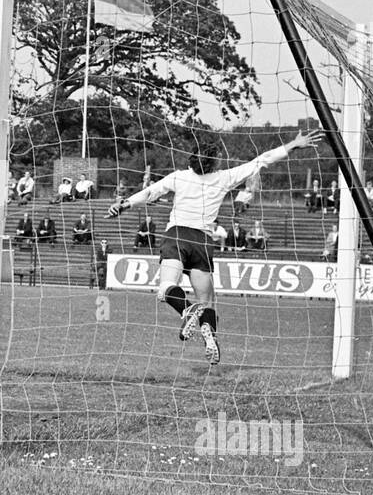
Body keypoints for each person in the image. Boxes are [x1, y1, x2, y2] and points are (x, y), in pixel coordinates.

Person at [108, 128, 322, 366]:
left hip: (177, 235)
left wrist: (125, 204)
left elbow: (150, 192)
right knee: (207, 302)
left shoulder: (179, 176)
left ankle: (186, 310)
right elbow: (262, 160)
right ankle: (210, 340)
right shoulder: (223, 177)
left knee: (166, 287)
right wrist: (292, 145)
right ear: (214, 161)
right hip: (202, 241)